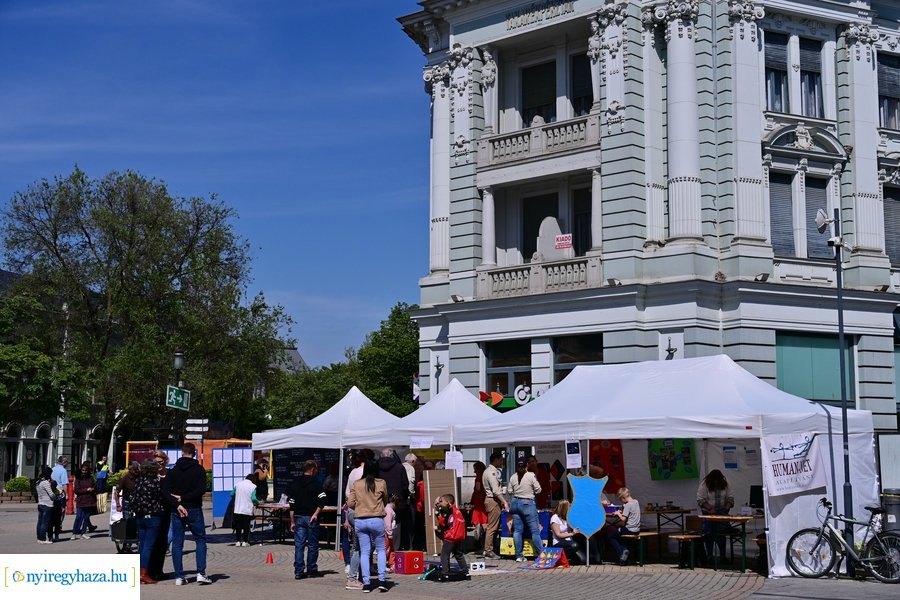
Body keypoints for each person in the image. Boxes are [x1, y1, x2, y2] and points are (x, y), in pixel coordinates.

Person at [165, 443, 211, 586]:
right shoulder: (199, 470)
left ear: (182, 453)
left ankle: (179, 576)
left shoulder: (173, 471)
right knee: (200, 540)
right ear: (194, 453)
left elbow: (166, 492)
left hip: (177, 510)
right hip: (194, 508)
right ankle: (201, 573)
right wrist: (184, 498)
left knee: (177, 543)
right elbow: (201, 490)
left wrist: (177, 502)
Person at [347, 459, 389, 593]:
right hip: (376, 519)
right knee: (381, 550)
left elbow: (350, 503)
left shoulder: (357, 483)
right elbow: (386, 499)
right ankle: (382, 580)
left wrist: (360, 506)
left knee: (364, 552)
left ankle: (366, 583)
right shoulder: (381, 483)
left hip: (360, 519)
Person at [287, 459, 326, 580]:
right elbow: (322, 500)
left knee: (299, 545)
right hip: (311, 518)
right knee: (313, 545)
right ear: (313, 470)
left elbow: (291, 504)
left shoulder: (295, 484)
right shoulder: (316, 484)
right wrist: (316, 513)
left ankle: (299, 571)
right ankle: (311, 569)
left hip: (298, 517)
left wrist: (292, 521)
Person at [131, 459, 166, 584]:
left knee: (142, 545)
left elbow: (133, 499)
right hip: (153, 516)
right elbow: (161, 497)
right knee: (149, 546)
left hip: (140, 517)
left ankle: (138, 572)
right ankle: (144, 573)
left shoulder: (138, 482)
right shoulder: (155, 483)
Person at [508, 458, 545, 562]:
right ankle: (541, 554)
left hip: (515, 503)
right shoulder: (531, 475)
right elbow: (539, 489)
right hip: (527, 503)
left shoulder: (513, 477)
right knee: (535, 531)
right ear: (526, 466)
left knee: (517, 531)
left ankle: (519, 556)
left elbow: (510, 491)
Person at [697, 469, 734, 562]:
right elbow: (700, 499)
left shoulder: (725, 482)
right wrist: (709, 508)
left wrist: (727, 507)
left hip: (721, 511)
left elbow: (730, 496)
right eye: (715, 481)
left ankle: (722, 556)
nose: (717, 483)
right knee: (708, 533)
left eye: (719, 481)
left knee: (721, 533)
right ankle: (709, 556)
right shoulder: (705, 484)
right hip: (708, 512)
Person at [377, 448, 410, 552]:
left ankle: (381, 548)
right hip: (396, 501)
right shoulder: (400, 467)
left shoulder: (376, 467)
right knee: (396, 524)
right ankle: (395, 548)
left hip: (380, 500)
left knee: (380, 522)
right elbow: (405, 484)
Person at [602, 487, 641, 565]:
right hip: (637, 529)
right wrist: (622, 511)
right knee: (618, 535)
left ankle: (622, 552)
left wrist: (618, 513)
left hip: (629, 529)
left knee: (611, 536)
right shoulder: (636, 502)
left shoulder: (627, 505)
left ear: (623, 497)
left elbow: (623, 519)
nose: (621, 501)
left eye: (620, 499)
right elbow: (630, 513)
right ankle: (625, 552)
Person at [434, 493, 468, 581]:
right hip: (459, 537)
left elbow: (444, 523)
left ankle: (445, 572)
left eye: (442, 501)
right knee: (458, 554)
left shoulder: (448, 511)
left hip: (451, 537)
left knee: (444, 555)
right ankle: (465, 571)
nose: (440, 503)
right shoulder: (456, 510)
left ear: (448, 502)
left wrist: (438, 514)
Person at [148, 451, 171, 581]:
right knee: (153, 541)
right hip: (154, 513)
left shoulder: (169, 474)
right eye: (156, 462)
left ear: (165, 461)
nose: (159, 465)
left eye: (161, 462)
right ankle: (150, 571)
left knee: (163, 541)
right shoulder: (151, 475)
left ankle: (159, 570)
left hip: (166, 511)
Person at [482, 452, 508, 559]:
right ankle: (488, 550)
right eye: (501, 460)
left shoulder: (491, 471)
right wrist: (504, 501)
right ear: (496, 460)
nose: (502, 462)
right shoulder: (491, 472)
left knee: (494, 527)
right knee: (492, 527)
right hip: (493, 500)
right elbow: (496, 490)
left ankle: (489, 548)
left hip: (492, 500)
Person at [71, 461, 96, 540]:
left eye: (86, 470)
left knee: (86, 517)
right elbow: (76, 490)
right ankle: (74, 533)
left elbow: (95, 487)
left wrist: (93, 489)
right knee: (78, 517)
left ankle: (83, 533)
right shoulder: (78, 479)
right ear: (80, 470)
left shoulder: (90, 478)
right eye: (83, 470)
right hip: (81, 500)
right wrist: (86, 490)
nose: (84, 472)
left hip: (89, 500)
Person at [232, 474, 258, 547]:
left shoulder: (238, 484)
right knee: (246, 526)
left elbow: (231, 494)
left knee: (238, 526)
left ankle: (237, 541)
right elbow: (253, 498)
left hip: (237, 509)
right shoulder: (253, 486)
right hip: (247, 509)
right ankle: (245, 542)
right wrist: (258, 502)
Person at [469, 461, 488, 557]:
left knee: (482, 525)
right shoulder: (485, 476)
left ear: (479, 469)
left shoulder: (479, 478)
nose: (474, 471)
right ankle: (483, 545)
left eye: (475, 469)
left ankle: (482, 545)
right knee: (484, 525)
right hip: (483, 502)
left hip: (479, 503)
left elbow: (477, 489)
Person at [35, 466, 58, 544]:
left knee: (40, 522)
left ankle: (39, 538)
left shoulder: (38, 482)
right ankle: (43, 539)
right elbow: (51, 494)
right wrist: (56, 496)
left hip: (40, 503)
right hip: (47, 504)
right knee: (45, 522)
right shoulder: (46, 483)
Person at [50, 455, 69, 542]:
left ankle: (52, 528)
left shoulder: (53, 469)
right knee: (62, 510)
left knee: (53, 511)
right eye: (67, 462)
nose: (67, 464)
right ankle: (59, 526)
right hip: (60, 493)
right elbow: (65, 484)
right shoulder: (63, 470)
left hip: (53, 492)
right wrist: (66, 494)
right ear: (64, 463)